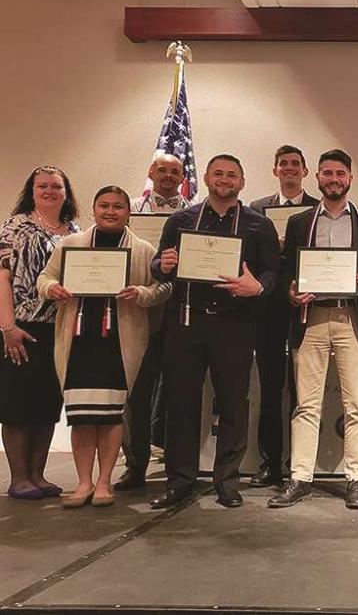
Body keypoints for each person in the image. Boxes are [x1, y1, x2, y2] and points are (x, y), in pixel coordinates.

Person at [149, 154, 280, 509]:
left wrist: (260, 288)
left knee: (233, 405)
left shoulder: (258, 225)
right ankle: (180, 481)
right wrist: (161, 264)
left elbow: (272, 273)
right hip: (186, 323)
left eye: (232, 175)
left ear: (243, 181)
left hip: (235, 325)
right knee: (181, 404)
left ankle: (226, 481)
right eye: (218, 173)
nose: (225, 179)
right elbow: (159, 264)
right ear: (205, 177)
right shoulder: (180, 220)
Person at [268, 149, 358, 510]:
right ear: (317, 178)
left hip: (354, 319)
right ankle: (300, 478)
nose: (333, 179)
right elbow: (288, 267)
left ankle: (356, 479)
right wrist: (291, 288)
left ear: (350, 178)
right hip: (311, 319)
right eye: (327, 173)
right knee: (306, 405)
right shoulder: (300, 222)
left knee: (357, 405)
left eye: (340, 173)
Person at [37, 186, 170, 507]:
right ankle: (83, 483)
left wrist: (141, 293)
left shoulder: (142, 250)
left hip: (119, 345)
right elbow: (43, 278)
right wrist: (53, 288)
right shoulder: (71, 244)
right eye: (104, 206)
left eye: (118, 207)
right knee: (82, 417)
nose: (111, 211)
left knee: (111, 417)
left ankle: (104, 482)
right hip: (79, 342)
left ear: (129, 212)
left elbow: (163, 287)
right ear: (93, 210)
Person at [0, 166, 78, 500]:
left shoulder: (74, 232)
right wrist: (7, 326)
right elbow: (1, 279)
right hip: (21, 327)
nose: (49, 191)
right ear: (31, 191)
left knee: (47, 404)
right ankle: (19, 478)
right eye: (41, 186)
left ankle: (38, 475)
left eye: (55, 186)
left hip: (60, 330)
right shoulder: (16, 227)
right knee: (18, 404)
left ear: (66, 192)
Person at [116, 151, 190, 491]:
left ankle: (179, 466)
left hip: (183, 316)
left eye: (175, 171)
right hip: (140, 315)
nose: (168, 176)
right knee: (137, 396)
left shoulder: (196, 212)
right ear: (151, 171)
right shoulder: (129, 210)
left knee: (179, 395)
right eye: (162, 170)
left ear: (182, 176)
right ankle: (135, 465)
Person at [248, 145, 319, 489]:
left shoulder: (319, 210)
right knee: (271, 390)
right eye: (283, 164)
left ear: (305, 172)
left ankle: (300, 463)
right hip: (267, 311)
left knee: (305, 393)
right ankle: (269, 463)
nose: (289, 169)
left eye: (296, 164)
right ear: (275, 170)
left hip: (306, 308)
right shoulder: (257, 209)